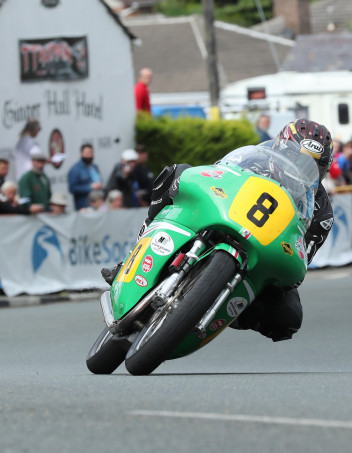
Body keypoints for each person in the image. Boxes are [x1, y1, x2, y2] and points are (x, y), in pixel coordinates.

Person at [101, 119, 335, 342]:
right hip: (224, 217)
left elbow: (302, 258)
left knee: (289, 318)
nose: (302, 170)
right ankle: (131, 259)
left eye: (315, 167)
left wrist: (281, 274)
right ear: (279, 147)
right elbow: (216, 173)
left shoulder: (321, 211)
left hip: (264, 250)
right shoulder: (255, 158)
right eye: (296, 158)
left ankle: (226, 309)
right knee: (176, 172)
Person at [68, 143, 103, 210]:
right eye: (87, 153)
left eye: (91, 152)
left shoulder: (94, 167)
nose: (89, 155)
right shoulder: (75, 169)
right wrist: (90, 187)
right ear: (81, 154)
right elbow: (72, 188)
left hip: (98, 205)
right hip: (85, 206)